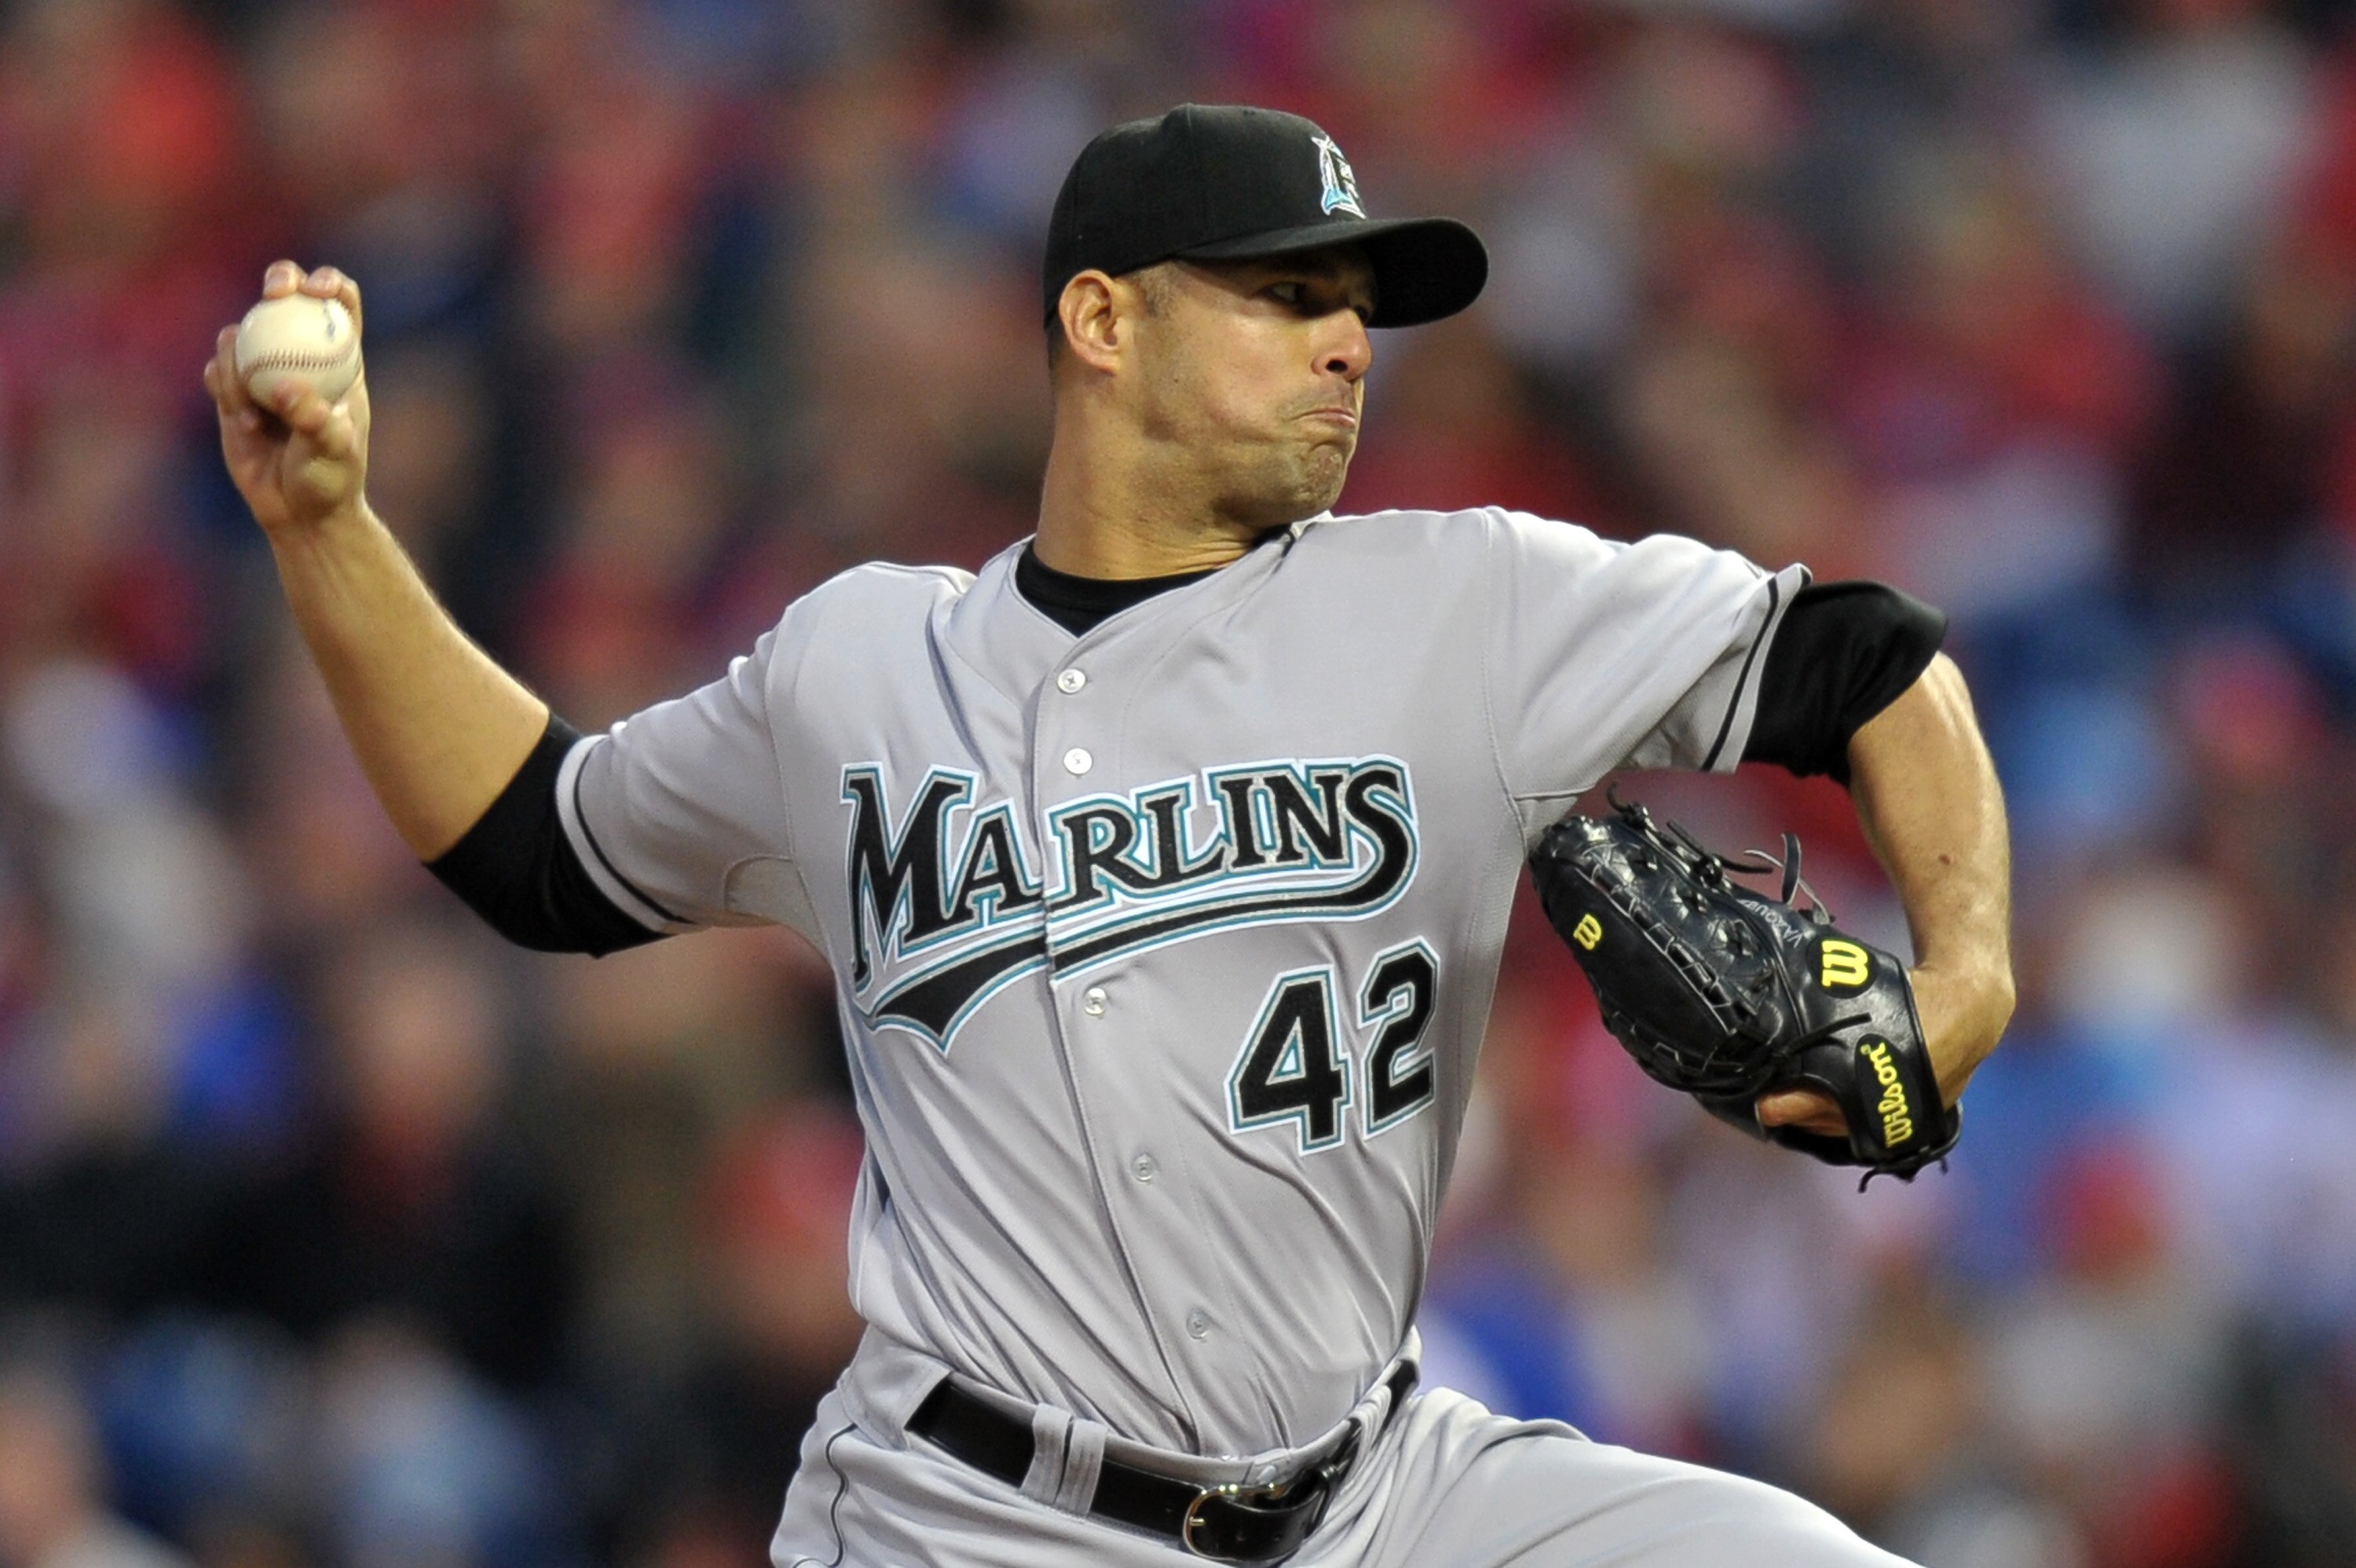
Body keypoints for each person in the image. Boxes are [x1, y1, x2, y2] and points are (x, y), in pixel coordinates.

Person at [206, 104, 2012, 1567]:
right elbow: (535, 845)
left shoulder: (1467, 602)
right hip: (966, 1518)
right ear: (1101, 319)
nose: (1344, 344)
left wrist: (1967, 975)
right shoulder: (860, 665)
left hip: (1389, 1499)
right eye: (1285, 295)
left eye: (1356, 308)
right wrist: (330, 533)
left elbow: (1864, 660)